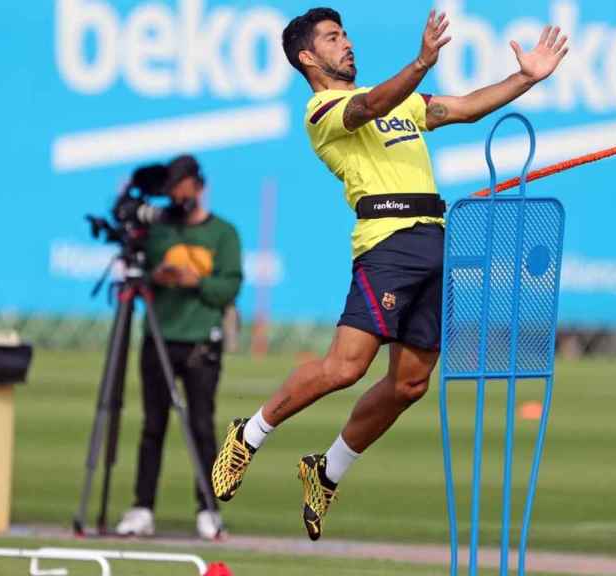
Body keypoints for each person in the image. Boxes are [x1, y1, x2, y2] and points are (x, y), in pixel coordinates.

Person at [211, 7, 568, 540]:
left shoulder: (399, 101)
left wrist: (526, 78)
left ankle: (326, 471)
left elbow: (466, 109)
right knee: (345, 367)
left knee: (411, 384)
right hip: (387, 245)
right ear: (308, 57)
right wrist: (423, 62)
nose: (347, 44)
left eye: (347, 35)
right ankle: (251, 433)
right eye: (333, 38)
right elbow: (368, 106)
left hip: (436, 239)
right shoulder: (324, 110)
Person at [116, 155, 244, 540]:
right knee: (152, 426)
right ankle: (142, 507)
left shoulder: (223, 233)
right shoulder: (157, 232)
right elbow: (138, 279)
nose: (176, 194)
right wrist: (157, 276)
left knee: (202, 426)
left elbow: (229, 287)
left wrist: (194, 282)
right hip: (159, 338)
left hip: (201, 343)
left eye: (182, 185)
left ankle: (208, 508)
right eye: (171, 187)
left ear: (198, 186)